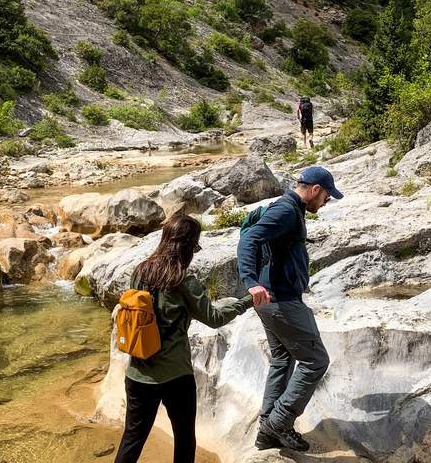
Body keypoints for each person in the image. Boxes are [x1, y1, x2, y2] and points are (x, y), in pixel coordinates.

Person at [114, 214, 255, 463]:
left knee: (131, 440)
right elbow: (213, 317)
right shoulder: (182, 279)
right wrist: (247, 301)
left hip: (137, 373)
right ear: (188, 245)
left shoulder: (140, 271)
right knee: (184, 439)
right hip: (175, 376)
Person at [236, 167, 343, 452]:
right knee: (315, 361)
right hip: (280, 301)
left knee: (282, 360)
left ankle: (266, 434)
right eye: (327, 196)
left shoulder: (289, 208)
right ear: (316, 189)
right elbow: (250, 239)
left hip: (272, 301)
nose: (326, 202)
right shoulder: (285, 211)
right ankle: (279, 423)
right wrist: (250, 281)